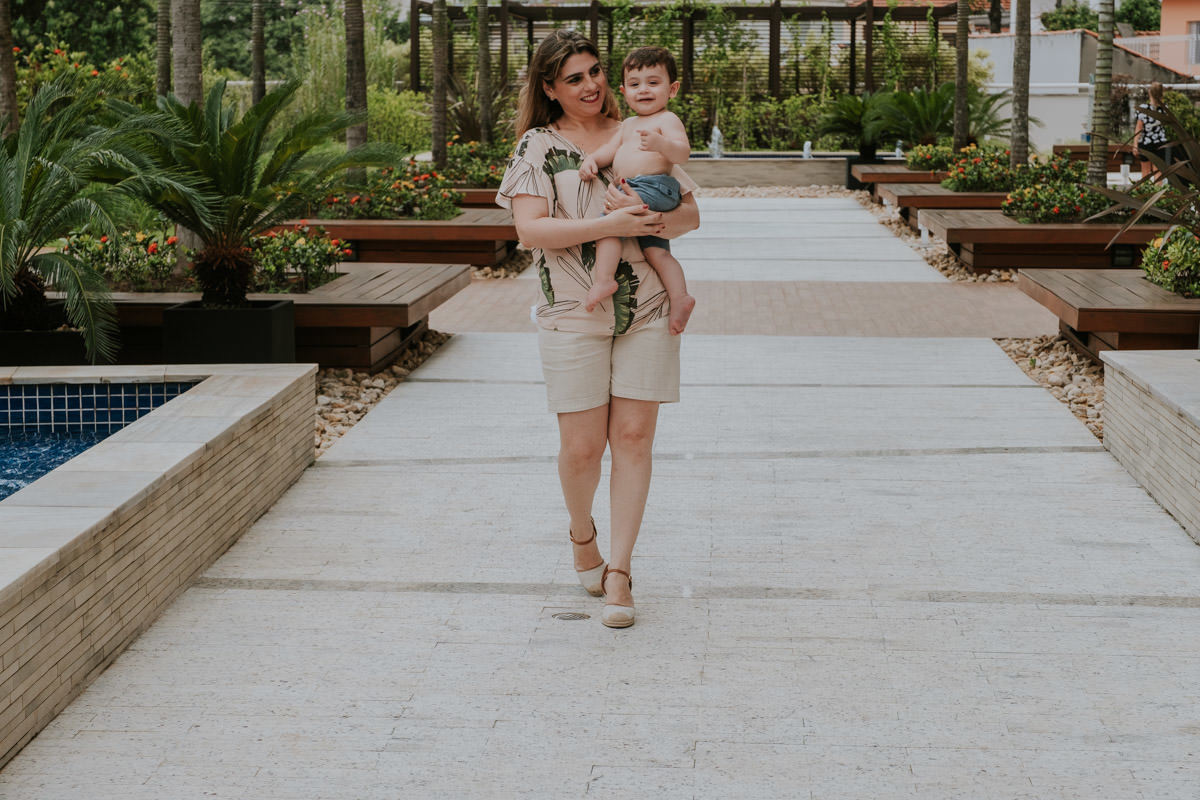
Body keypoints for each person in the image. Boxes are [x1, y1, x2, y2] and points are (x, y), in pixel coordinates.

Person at [495, 29, 700, 628]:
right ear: (549, 88)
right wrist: (609, 223)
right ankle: (583, 535)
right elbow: (530, 231)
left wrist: (653, 219)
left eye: (594, 72)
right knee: (582, 448)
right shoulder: (538, 146)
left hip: (648, 306)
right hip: (573, 308)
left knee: (633, 439)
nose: (590, 85)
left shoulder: (640, 128)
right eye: (574, 78)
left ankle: (621, 572)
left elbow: (690, 214)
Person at [579, 46, 696, 336]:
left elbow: (682, 154)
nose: (643, 90)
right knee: (656, 252)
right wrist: (593, 160)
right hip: (640, 191)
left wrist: (661, 144)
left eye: (653, 82)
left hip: (655, 186)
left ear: (672, 89)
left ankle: (604, 279)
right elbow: (610, 150)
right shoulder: (628, 124)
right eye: (634, 84)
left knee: (609, 223)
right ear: (624, 91)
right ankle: (680, 297)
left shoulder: (666, 120)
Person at [1134, 82, 1171, 181]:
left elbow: (1139, 128)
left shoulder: (1143, 109)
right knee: (1158, 172)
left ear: (1149, 92)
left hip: (1145, 143)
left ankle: (1145, 190)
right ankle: (1157, 190)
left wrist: (1135, 144)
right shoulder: (1165, 109)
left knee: (1145, 172)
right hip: (1160, 143)